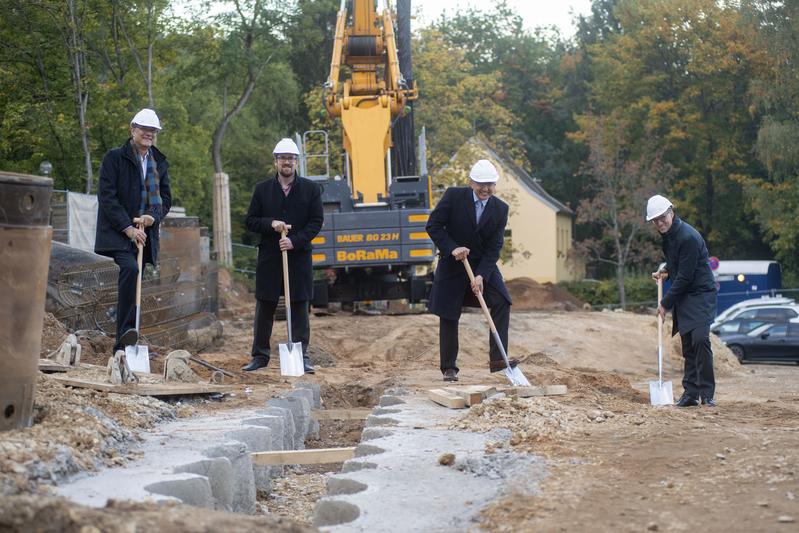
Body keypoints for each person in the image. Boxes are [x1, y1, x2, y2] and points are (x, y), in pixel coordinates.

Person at [426, 159, 517, 382]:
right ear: (471, 183)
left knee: (501, 301)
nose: (485, 189)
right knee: (449, 313)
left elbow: (495, 246)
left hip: (481, 264)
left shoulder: (500, 209)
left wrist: (481, 275)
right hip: (452, 262)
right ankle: (449, 367)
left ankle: (498, 362)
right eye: (480, 184)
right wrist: (452, 247)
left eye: (490, 184)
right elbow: (433, 225)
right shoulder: (453, 197)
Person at [242, 138, 324, 373]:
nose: (286, 162)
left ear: (296, 162)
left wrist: (295, 241)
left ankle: (301, 355)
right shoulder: (262, 189)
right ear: (276, 161)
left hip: (298, 258)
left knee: (299, 307)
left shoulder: (310, 189)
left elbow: (316, 221)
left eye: (291, 158)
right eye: (282, 158)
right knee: (265, 307)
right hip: (270, 258)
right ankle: (260, 356)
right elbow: (250, 221)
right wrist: (271, 224)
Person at [95, 108, 172, 353]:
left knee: (136, 277)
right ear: (133, 130)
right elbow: (107, 198)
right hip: (117, 233)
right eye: (145, 129)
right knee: (130, 269)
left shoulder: (158, 161)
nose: (149, 134)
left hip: (145, 234)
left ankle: (131, 335)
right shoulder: (114, 158)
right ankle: (123, 341)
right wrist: (128, 228)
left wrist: (153, 216)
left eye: (153, 131)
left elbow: (166, 200)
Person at [647, 194, 717, 407]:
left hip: (701, 294)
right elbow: (677, 264)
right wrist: (665, 270)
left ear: (672, 211)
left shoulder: (688, 237)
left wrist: (665, 303)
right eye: (655, 220)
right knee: (687, 344)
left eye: (662, 217)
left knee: (700, 339)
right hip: (685, 295)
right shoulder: (668, 238)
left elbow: (686, 276)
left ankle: (707, 393)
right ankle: (690, 393)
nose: (660, 222)